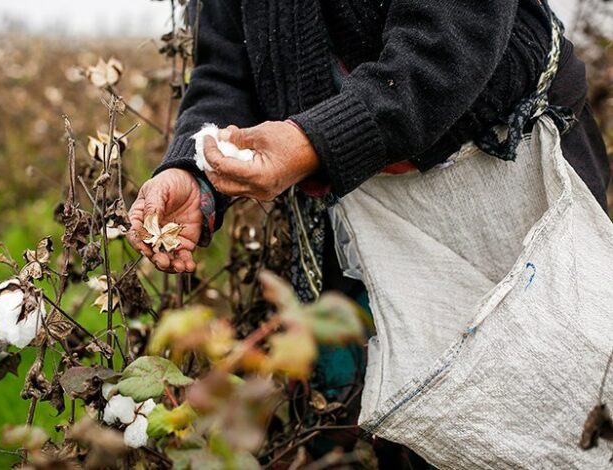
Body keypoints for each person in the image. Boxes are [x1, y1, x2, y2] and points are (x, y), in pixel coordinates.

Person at [127, 0, 609, 466]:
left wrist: (313, 140)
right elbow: (227, 72)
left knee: (547, 400)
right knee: (374, 417)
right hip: (351, 203)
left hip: (498, 172)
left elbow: (451, 38)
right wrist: (197, 170)